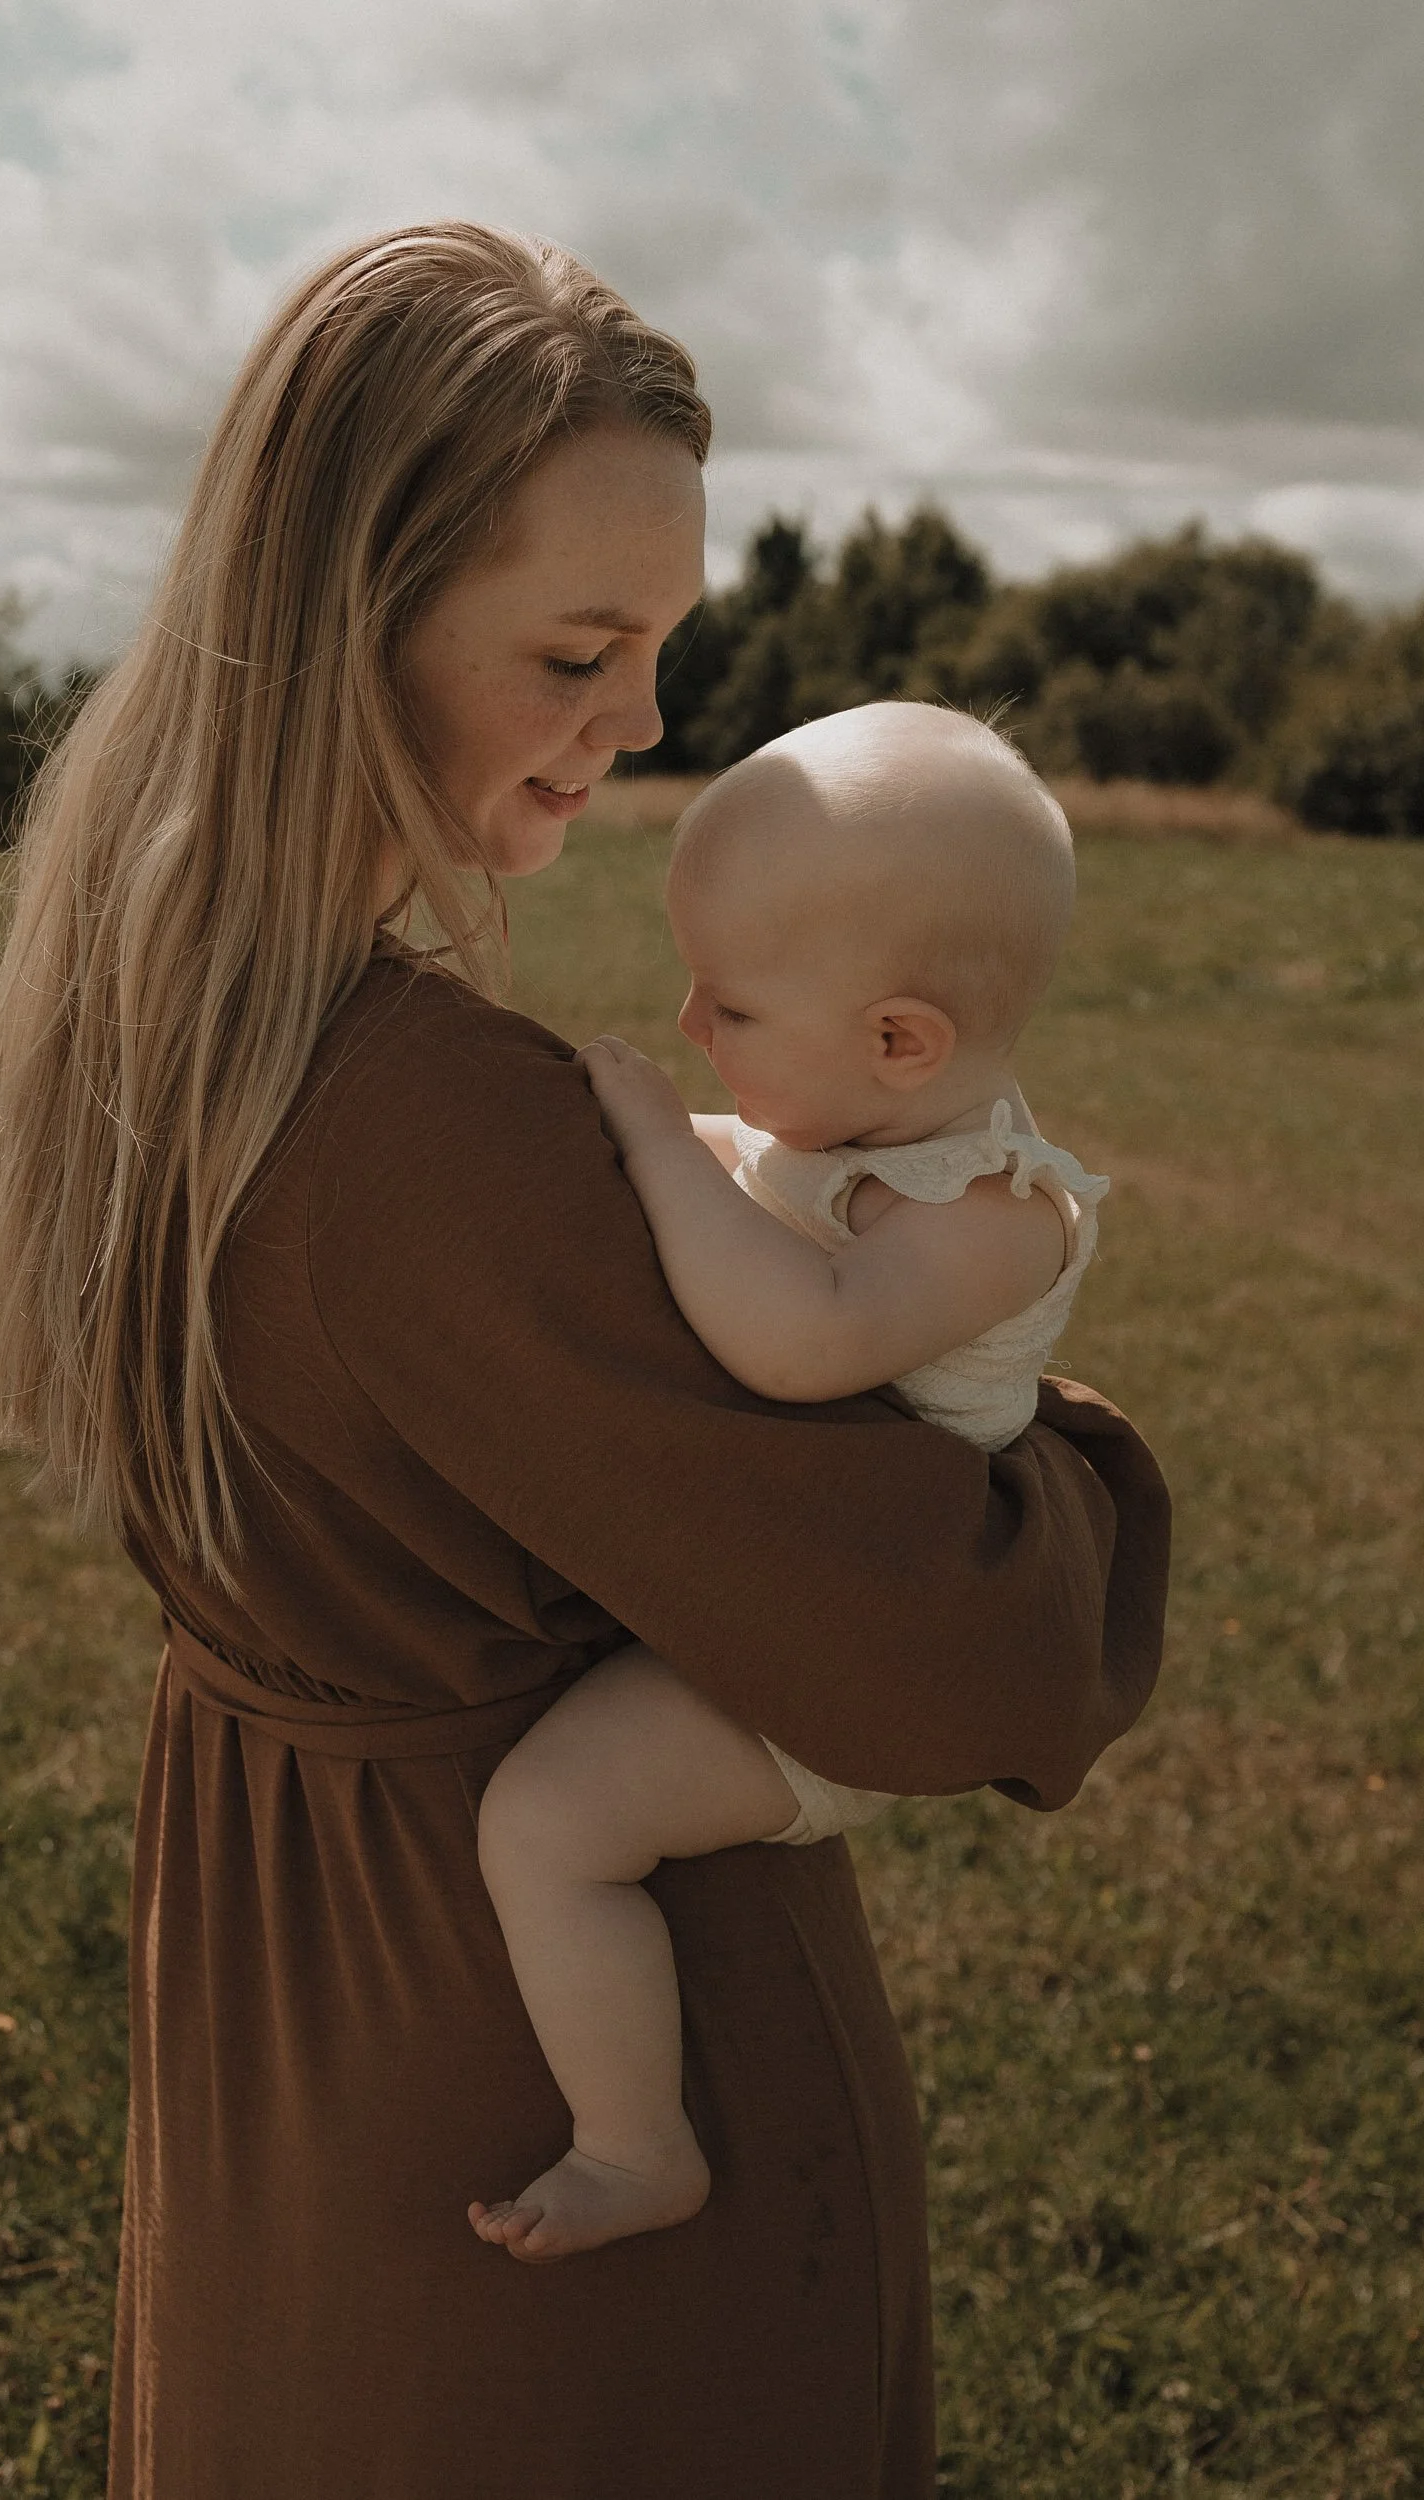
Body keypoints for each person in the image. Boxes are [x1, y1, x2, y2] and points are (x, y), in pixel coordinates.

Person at [0, 223, 1170, 2500]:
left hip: (275, 1975)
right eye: (576, 653)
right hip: (534, 2075)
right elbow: (952, 1656)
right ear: (349, 623)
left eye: (660, 648)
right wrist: (1073, 1480)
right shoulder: (432, 1130)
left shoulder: (148, 1007)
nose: (644, 723)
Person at [469, 700, 1113, 2263]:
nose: (690, 1023)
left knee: (548, 1824)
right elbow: (753, 1185)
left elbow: (799, 1339)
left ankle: (635, 2147)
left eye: (734, 1006)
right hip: (786, 1584)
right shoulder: (852, 1123)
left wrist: (655, 1144)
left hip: (856, 1649)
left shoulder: (990, 1213)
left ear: (900, 1042)